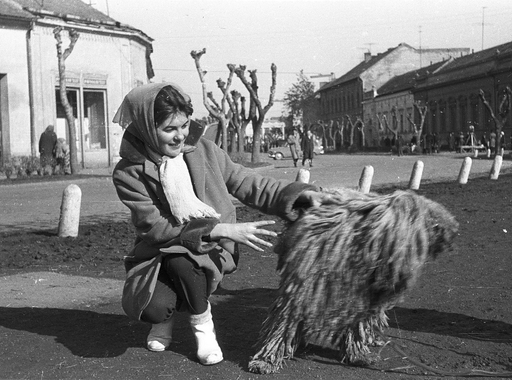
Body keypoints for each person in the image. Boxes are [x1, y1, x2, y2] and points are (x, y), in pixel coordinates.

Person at [111, 83, 329, 366]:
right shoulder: (128, 173)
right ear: (147, 129)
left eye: (185, 125)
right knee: (154, 308)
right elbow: (155, 228)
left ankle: (204, 330)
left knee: (181, 262)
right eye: (169, 129)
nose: (180, 136)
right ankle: (163, 322)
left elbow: (249, 182)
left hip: (209, 250)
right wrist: (220, 229)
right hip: (158, 252)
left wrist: (299, 194)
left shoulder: (203, 151)